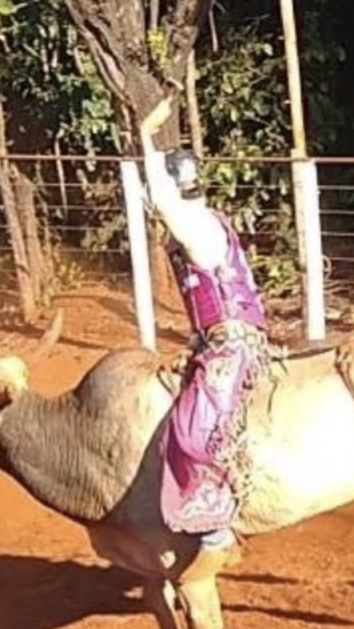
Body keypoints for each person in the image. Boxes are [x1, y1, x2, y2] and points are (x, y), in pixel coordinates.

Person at [140, 97, 269, 556]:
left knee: (195, 433)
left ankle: (215, 524)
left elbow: (161, 200)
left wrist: (145, 136)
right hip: (218, 340)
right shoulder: (204, 222)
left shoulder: (193, 225)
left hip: (233, 345)